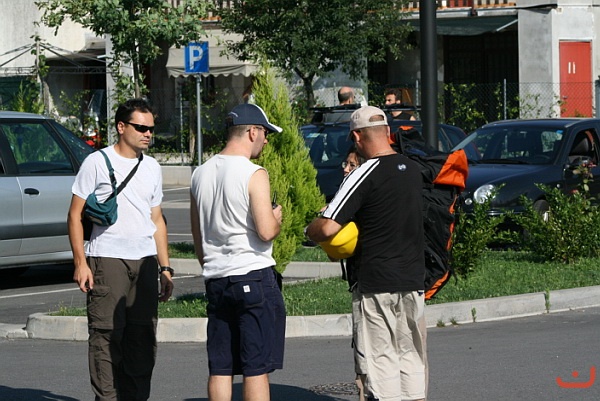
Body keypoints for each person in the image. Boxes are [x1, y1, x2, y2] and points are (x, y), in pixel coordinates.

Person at [306, 106, 427, 401]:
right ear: (387, 132)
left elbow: (328, 227)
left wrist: (309, 229)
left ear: (357, 137)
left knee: (381, 359)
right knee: (411, 355)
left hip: (377, 282)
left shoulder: (363, 173)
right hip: (413, 279)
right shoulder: (413, 169)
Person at [67, 98, 174, 401]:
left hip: (145, 261)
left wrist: (165, 268)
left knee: (142, 337)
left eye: (151, 129)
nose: (148, 134)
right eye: (141, 127)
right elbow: (74, 215)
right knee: (106, 336)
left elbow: (157, 220)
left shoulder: (152, 167)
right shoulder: (96, 162)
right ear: (121, 127)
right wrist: (81, 263)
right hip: (107, 258)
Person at [190, 103, 286, 401]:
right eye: (265, 133)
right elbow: (266, 231)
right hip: (252, 275)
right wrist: (277, 218)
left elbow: (198, 236)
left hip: (216, 277)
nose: (266, 140)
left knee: (220, 367)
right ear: (252, 132)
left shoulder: (200, 173)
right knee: (256, 367)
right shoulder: (253, 172)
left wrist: (212, 264)